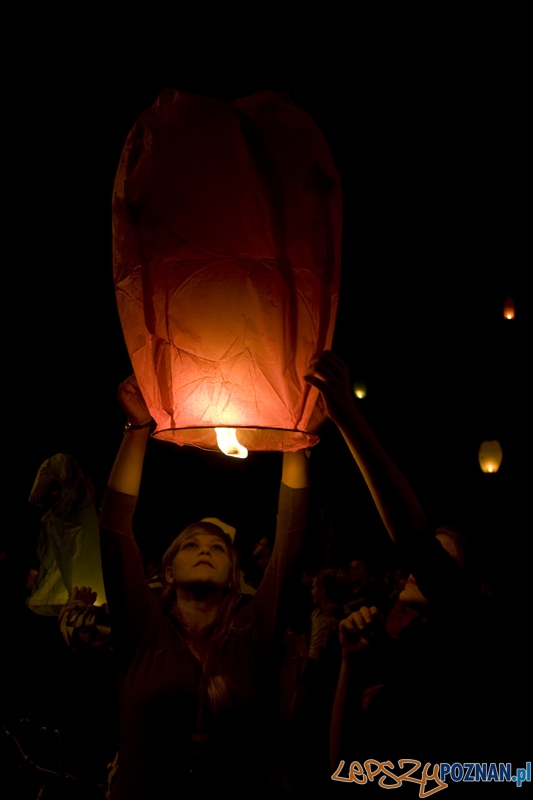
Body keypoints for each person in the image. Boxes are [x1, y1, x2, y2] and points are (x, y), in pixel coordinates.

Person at [99, 374, 310, 799]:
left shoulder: (254, 630)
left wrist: (296, 438)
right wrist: (138, 428)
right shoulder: (141, 629)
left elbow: (290, 537)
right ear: (168, 571)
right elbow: (114, 527)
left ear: (234, 574)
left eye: (218, 547)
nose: (205, 550)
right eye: (190, 544)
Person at [305, 351, 510, 767]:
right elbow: (348, 768)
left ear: (470, 579)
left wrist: (346, 414)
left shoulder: (472, 635)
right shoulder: (406, 651)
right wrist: (350, 665)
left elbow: (413, 537)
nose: (421, 566)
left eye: (440, 556)